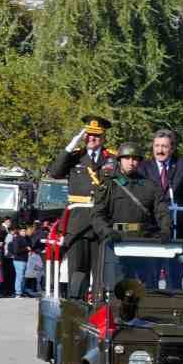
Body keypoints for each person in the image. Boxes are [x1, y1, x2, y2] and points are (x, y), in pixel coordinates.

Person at [47, 113, 117, 297]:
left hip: (102, 220)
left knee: (101, 271)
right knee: (77, 270)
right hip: (78, 222)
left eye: (96, 135)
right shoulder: (75, 156)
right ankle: (75, 307)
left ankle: (99, 309)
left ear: (103, 137)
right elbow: (55, 172)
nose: (92, 139)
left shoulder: (112, 158)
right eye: (88, 135)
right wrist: (71, 144)